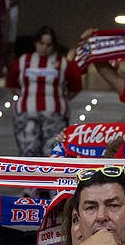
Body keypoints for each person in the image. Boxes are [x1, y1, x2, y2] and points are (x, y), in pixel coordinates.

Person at [7, 27, 81, 157]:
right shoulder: (23, 61)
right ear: (35, 43)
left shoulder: (63, 63)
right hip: (27, 113)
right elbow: (11, 83)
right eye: (41, 43)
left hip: (54, 115)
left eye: (48, 45)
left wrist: (62, 99)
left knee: (53, 152)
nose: (44, 48)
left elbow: (76, 86)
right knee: (28, 150)